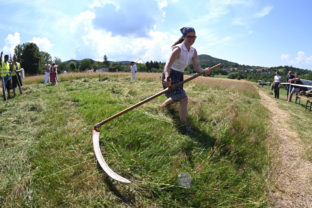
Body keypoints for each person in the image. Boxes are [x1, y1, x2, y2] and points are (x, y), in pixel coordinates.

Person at [160, 27, 212, 127]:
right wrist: (166, 78)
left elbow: (197, 66)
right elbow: (167, 66)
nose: (192, 39)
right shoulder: (178, 49)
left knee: (177, 97)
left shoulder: (193, 51)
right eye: (189, 37)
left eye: (194, 37)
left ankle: (162, 106)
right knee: (184, 98)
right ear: (184, 37)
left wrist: (204, 71)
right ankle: (184, 124)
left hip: (180, 75)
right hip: (170, 74)